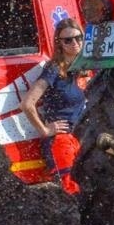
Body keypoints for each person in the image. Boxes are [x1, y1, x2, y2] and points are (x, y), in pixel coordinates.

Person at [19, 17, 88, 195]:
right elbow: (27, 103)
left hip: (80, 139)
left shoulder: (84, 68)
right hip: (61, 142)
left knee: (86, 193)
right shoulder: (54, 70)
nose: (75, 43)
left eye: (78, 37)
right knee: (70, 194)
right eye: (68, 40)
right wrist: (44, 130)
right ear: (59, 44)